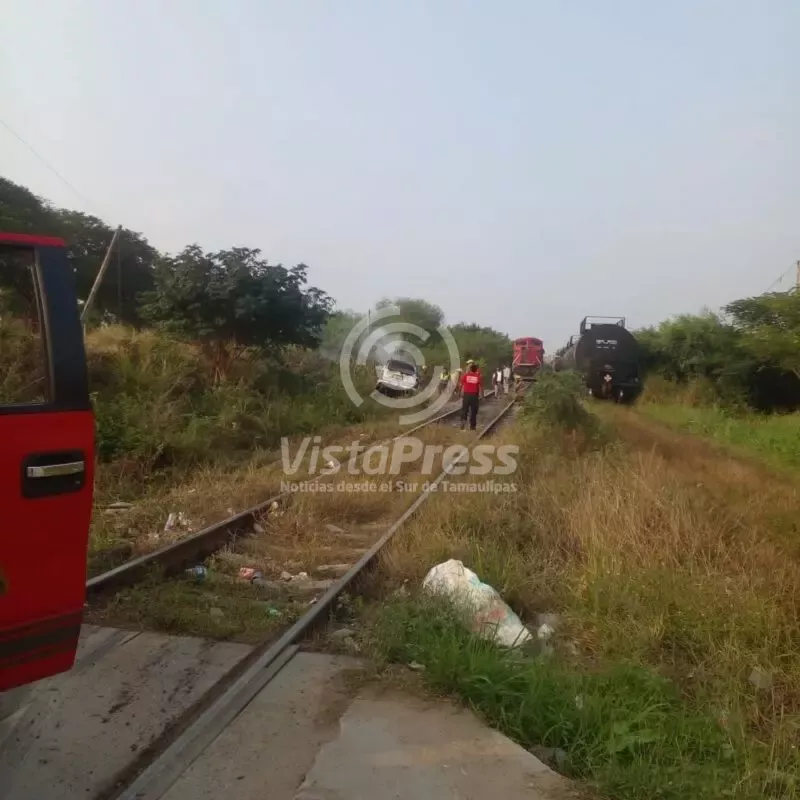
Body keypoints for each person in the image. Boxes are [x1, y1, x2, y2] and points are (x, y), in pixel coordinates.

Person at [460, 362, 482, 430]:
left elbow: (461, 384)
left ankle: (462, 426)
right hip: (474, 395)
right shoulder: (478, 376)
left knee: (464, 410)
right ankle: (472, 427)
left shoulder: (466, 375)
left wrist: (460, 392)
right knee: (473, 411)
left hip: (466, 395)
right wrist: (483, 396)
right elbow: (481, 387)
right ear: (476, 369)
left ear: (470, 369)